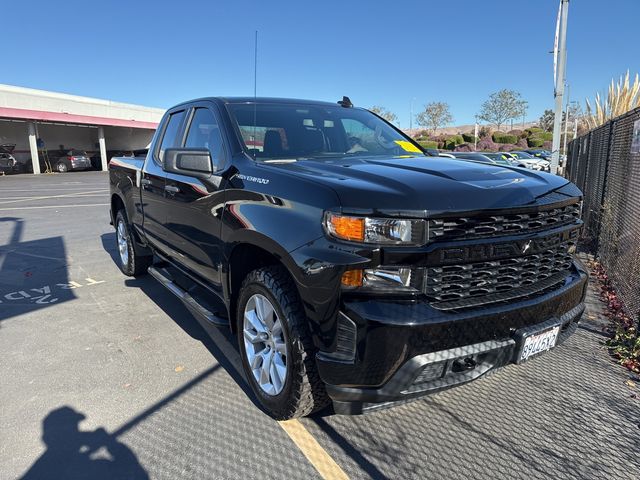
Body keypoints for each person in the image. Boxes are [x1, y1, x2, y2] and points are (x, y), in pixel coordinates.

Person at [21, 407, 148, 480]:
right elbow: (135, 472)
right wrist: (111, 444)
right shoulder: (90, 468)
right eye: (73, 429)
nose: (78, 432)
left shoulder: (40, 470)